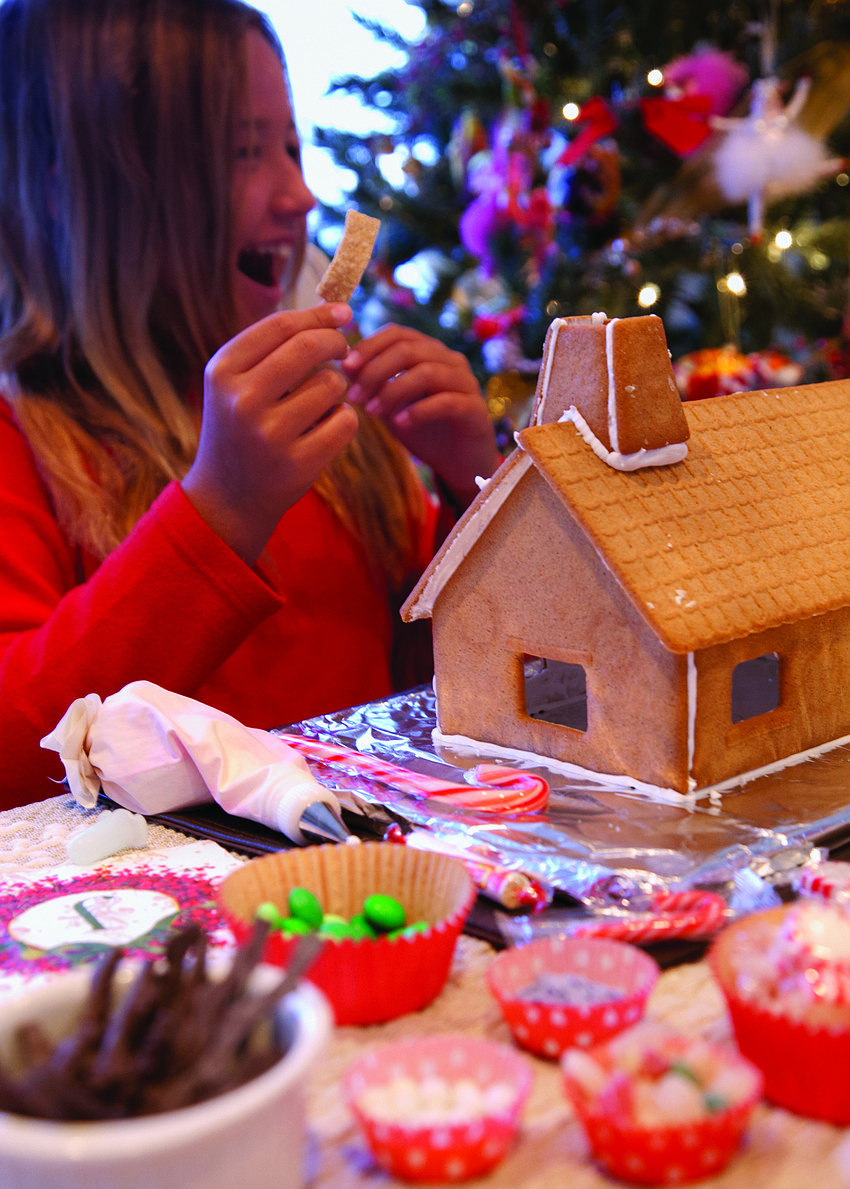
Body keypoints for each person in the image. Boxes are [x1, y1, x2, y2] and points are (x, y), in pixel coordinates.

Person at [0, 0, 500, 809]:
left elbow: (433, 690)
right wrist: (220, 511)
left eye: (293, 147)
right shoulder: (26, 437)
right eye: (241, 153)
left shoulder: (340, 426)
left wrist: (472, 488)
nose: (300, 195)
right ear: (77, 192)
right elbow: (18, 753)